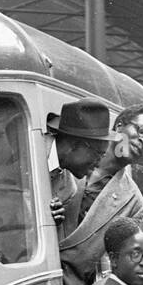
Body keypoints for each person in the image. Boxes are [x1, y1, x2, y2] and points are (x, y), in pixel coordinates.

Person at [59, 104, 143, 285]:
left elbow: (115, 259)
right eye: (141, 131)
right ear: (119, 126)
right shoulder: (73, 152)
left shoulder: (135, 201)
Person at [47, 99, 111, 237]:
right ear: (74, 145)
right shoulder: (26, 149)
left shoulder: (69, 189)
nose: (98, 163)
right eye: (98, 154)